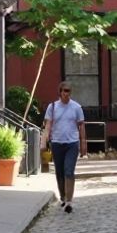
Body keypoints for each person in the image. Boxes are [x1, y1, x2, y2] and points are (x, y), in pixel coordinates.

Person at [42, 81, 87, 213]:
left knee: (69, 171)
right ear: (60, 92)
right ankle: (62, 196)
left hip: (72, 144)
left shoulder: (76, 107)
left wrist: (83, 143)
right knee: (59, 172)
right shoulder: (53, 107)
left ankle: (69, 201)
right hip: (57, 143)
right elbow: (48, 125)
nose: (66, 93)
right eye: (64, 91)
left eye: (68, 91)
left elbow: (81, 125)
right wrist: (43, 141)